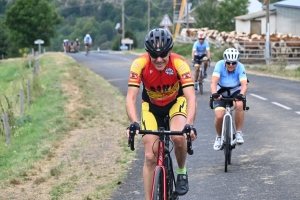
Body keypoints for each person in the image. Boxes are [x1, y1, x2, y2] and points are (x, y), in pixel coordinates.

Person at [125, 28, 197, 200]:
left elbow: (191, 97)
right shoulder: (139, 64)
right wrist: (134, 122)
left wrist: (190, 124)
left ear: (170, 51)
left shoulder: (180, 63)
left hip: (175, 103)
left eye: (163, 54)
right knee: (150, 156)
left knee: (179, 137)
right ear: (147, 52)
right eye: (154, 55)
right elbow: (131, 96)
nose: (158, 59)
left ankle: (181, 171)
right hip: (151, 106)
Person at [210, 48, 248, 150]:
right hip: (221, 92)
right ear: (224, 61)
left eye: (233, 63)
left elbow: (244, 83)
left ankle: (239, 133)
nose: (231, 65)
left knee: (239, 104)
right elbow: (213, 82)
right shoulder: (219, 65)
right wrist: (214, 93)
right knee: (219, 116)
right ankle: (218, 137)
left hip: (235, 91)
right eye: (228, 63)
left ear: (237, 62)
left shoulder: (240, 67)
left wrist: (241, 94)